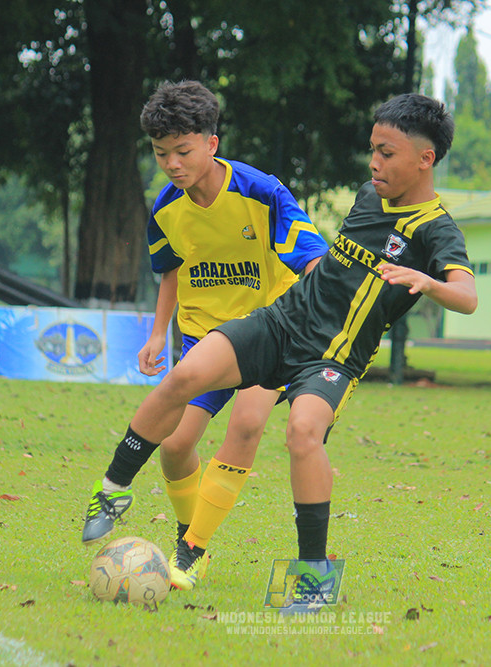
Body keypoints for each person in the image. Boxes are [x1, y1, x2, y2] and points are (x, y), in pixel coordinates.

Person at [82, 92, 477, 596]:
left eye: (386, 153)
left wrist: (429, 283)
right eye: (372, 150)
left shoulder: (436, 230)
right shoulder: (367, 195)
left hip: (334, 356)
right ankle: (113, 489)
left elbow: (467, 297)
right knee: (185, 376)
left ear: (426, 159)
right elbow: (325, 265)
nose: (374, 162)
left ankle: (310, 578)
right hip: (281, 321)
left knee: (302, 433)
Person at [82, 80, 328, 592]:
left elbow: (314, 261)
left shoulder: (262, 192)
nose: (172, 164)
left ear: (212, 144)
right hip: (203, 335)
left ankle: (191, 551)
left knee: (247, 425)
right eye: (160, 153)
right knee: (175, 446)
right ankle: (184, 531)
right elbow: (171, 270)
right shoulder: (164, 209)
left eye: (183, 151)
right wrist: (158, 334)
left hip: (270, 332)